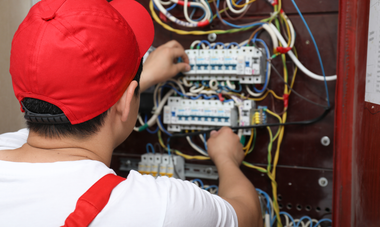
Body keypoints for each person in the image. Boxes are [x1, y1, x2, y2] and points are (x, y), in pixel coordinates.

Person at [0, 0, 262, 226]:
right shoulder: (159, 211)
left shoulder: (6, 145)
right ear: (127, 101)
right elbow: (249, 215)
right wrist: (226, 158)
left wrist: (134, 83)